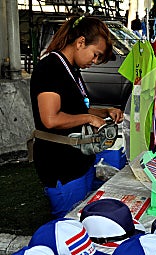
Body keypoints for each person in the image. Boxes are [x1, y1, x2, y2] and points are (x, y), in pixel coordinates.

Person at [30, 16, 124, 218]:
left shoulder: (70, 68)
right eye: (95, 54)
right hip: (61, 166)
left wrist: (105, 111)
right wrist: (89, 119)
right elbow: (51, 119)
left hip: (79, 161)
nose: (95, 61)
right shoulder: (50, 68)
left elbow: (77, 108)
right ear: (80, 42)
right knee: (69, 222)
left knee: (82, 218)